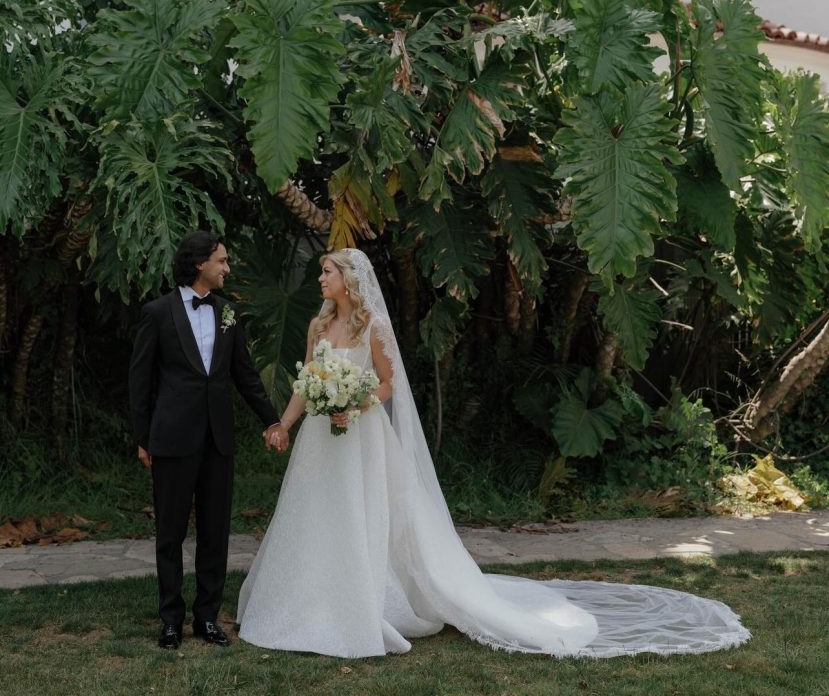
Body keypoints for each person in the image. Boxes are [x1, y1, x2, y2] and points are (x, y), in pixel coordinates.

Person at [237, 248, 750, 659]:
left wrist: (356, 402)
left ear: (348, 278)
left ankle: (359, 604)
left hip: (360, 435)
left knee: (358, 516)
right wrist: (283, 424)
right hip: (320, 442)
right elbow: (307, 382)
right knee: (314, 517)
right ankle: (303, 601)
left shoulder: (371, 326)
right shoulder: (316, 326)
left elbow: (390, 384)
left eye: (326, 271)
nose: (320, 278)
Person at [129, 231, 289, 650]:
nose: (227, 268)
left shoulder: (228, 313)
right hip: (172, 438)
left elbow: (245, 375)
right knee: (170, 532)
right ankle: (170, 620)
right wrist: (142, 437)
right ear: (200, 263)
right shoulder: (158, 312)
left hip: (218, 440)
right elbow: (140, 380)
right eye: (222, 260)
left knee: (216, 532)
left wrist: (273, 421)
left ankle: (207, 618)